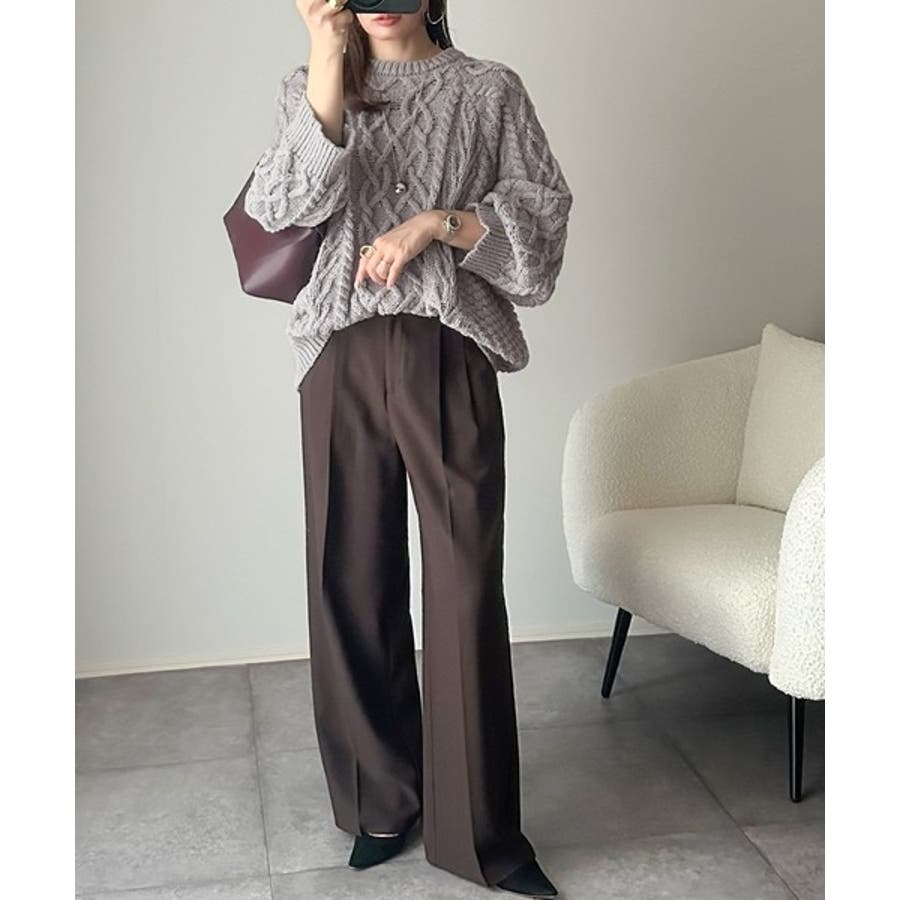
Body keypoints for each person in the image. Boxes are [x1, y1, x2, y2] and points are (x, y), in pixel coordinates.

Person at [244, 1, 573, 896]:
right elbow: (279, 210)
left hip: (447, 346)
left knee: (465, 582)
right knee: (349, 574)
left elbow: (541, 232)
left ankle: (479, 833)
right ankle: (378, 800)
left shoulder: (488, 91)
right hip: (340, 353)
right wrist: (325, 60)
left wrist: (438, 222)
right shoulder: (309, 85)